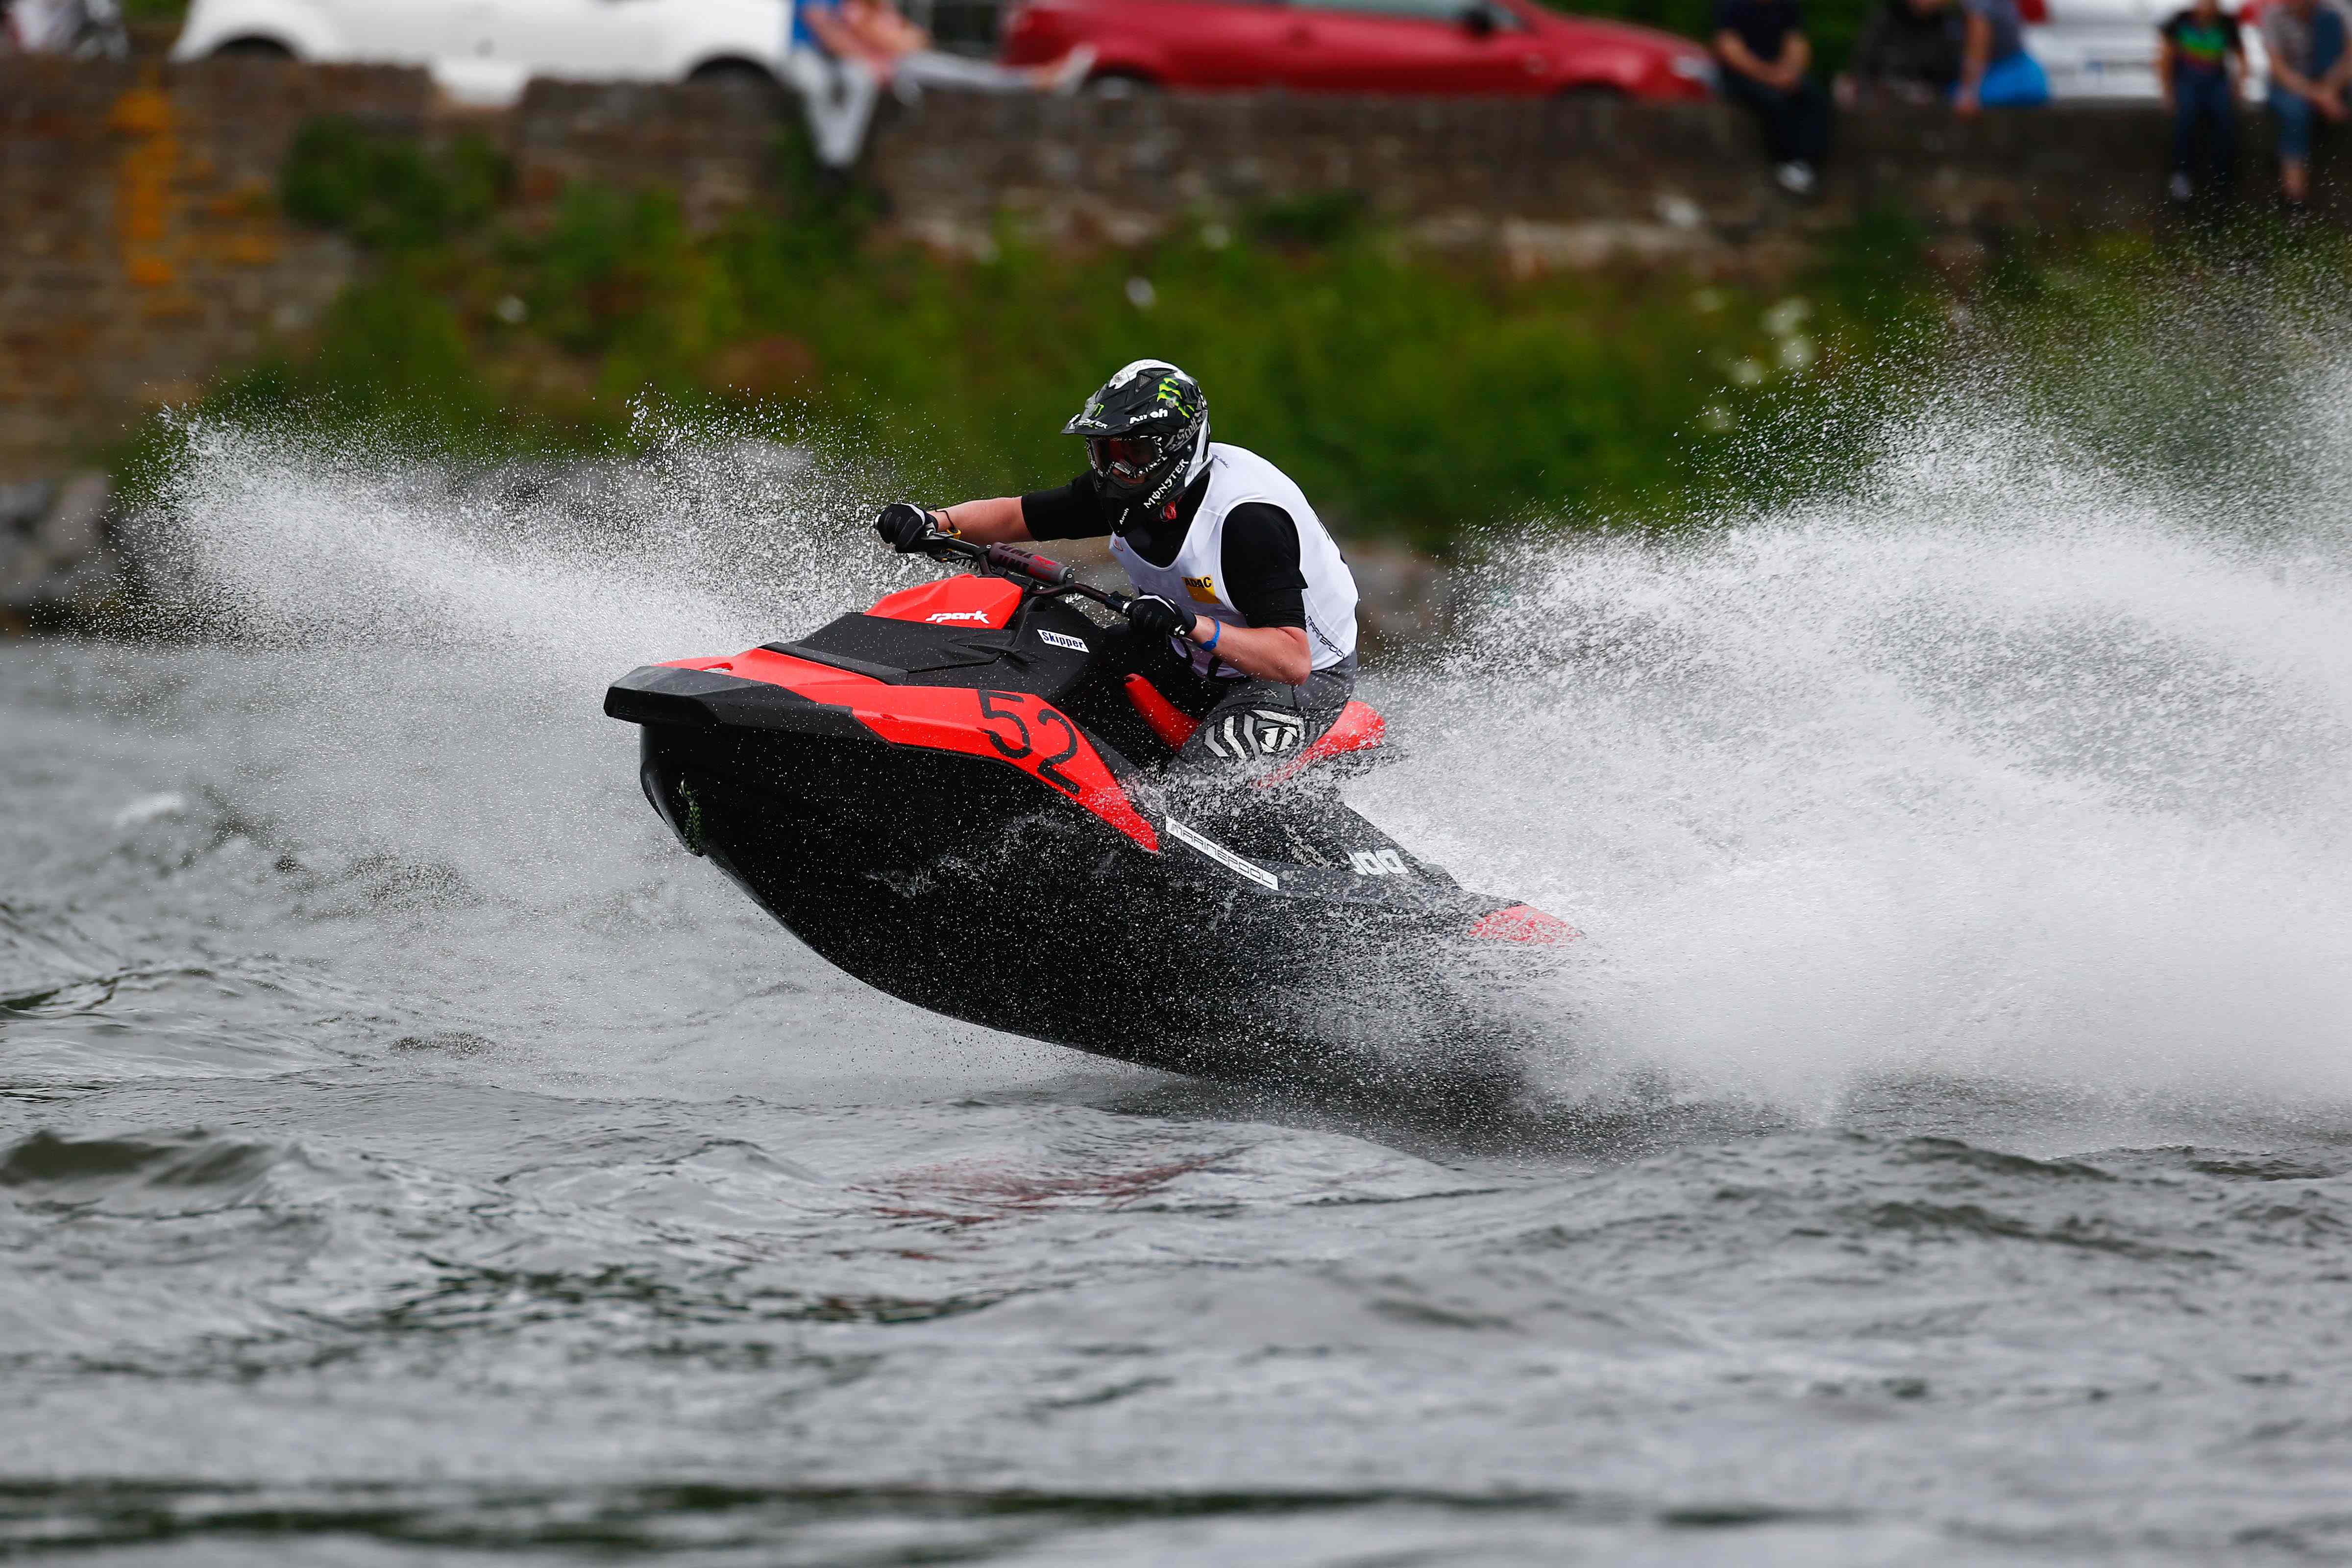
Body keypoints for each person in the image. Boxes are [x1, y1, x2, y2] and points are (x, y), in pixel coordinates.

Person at [871, 361, 1362, 777]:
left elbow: (1291, 659)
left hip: (1298, 680)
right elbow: (1017, 516)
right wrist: (936, 522)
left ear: (1178, 448)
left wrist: (1190, 623)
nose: (1116, 470)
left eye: (1134, 453)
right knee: (1047, 669)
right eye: (1107, 452)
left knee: (1189, 800)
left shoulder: (1246, 522)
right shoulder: (1122, 490)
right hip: (1184, 648)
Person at [1713, 0, 1833, 195]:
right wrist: (1767, 76)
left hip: (1780, 73)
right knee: (1773, 102)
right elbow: (1730, 49)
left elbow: (1796, 42)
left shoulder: (1787, 6)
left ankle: (1806, 164)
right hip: (1742, 75)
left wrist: (1790, 72)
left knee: (1815, 97)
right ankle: (1783, 162)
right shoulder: (1731, 5)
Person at [2260, 0, 2352, 208]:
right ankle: (2295, 198)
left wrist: (2330, 88)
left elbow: (2349, 57)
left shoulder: (2336, 11)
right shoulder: (2273, 15)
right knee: (2295, 113)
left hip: (2333, 81)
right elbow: (2279, 69)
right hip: (2291, 85)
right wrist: (2319, 95)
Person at [2158, 0, 2244, 203]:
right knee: (2185, 119)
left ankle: (2223, 179)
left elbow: (2242, 57)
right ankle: (2181, 174)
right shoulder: (2180, 21)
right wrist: (2168, 92)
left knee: (2225, 122)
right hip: (2186, 81)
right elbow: (2165, 58)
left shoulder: (2226, 23)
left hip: (2216, 82)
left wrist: (2239, 85)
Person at [1842, 0, 1968, 105]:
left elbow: (1952, 70)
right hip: (1882, 93)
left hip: (1929, 98)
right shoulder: (1887, 16)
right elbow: (1863, 60)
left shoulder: (1951, 23)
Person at [1954, 0, 2051, 113]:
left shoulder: (1979, 7)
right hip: (2025, 74)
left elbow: (1979, 39)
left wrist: (1969, 91)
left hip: (2012, 76)